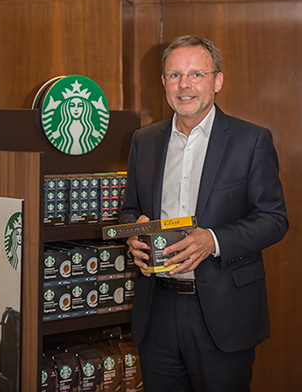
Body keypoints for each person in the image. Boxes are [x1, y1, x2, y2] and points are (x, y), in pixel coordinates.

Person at [118, 35, 288, 392]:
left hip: (223, 313)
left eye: (196, 74)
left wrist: (212, 240)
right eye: (175, 75)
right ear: (164, 82)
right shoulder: (144, 141)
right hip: (157, 309)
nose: (185, 85)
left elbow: (274, 220)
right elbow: (130, 209)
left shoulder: (251, 140)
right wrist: (133, 234)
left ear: (217, 80)